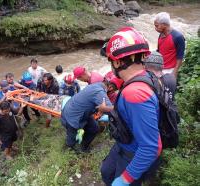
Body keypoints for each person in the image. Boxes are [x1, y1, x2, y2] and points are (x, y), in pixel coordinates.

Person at [100, 27, 162, 186]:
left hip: (133, 153)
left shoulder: (135, 93)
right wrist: (115, 115)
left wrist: (124, 179)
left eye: (110, 61)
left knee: (115, 179)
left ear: (118, 61)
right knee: (107, 171)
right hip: (125, 143)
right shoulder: (145, 76)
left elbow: (150, 148)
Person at [61, 81, 113, 153]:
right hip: (72, 117)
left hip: (74, 110)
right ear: (110, 87)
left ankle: (83, 147)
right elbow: (111, 110)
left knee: (94, 128)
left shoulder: (95, 85)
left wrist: (100, 109)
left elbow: (92, 102)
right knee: (72, 137)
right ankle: (69, 149)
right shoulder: (99, 92)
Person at [154, 12, 185, 77]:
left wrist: (175, 72)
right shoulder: (161, 34)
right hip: (160, 68)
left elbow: (180, 56)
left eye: (157, 26)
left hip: (170, 70)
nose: (155, 28)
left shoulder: (178, 37)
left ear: (164, 25)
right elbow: (159, 50)